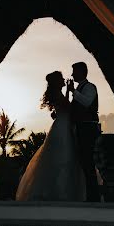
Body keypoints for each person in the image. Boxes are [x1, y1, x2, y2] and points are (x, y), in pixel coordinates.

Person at [15, 71, 85, 201]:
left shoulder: (57, 94)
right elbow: (68, 108)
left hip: (62, 125)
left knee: (62, 157)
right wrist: (70, 91)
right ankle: (61, 191)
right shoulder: (57, 94)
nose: (64, 79)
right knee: (64, 156)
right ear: (57, 81)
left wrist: (68, 93)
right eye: (62, 79)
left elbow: (63, 108)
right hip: (62, 127)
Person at [67, 61, 101, 202]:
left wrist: (73, 91)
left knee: (87, 160)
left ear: (82, 72)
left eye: (74, 71)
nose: (72, 74)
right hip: (81, 127)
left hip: (88, 127)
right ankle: (89, 194)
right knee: (83, 160)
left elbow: (86, 102)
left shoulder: (90, 87)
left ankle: (93, 196)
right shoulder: (80, 88)